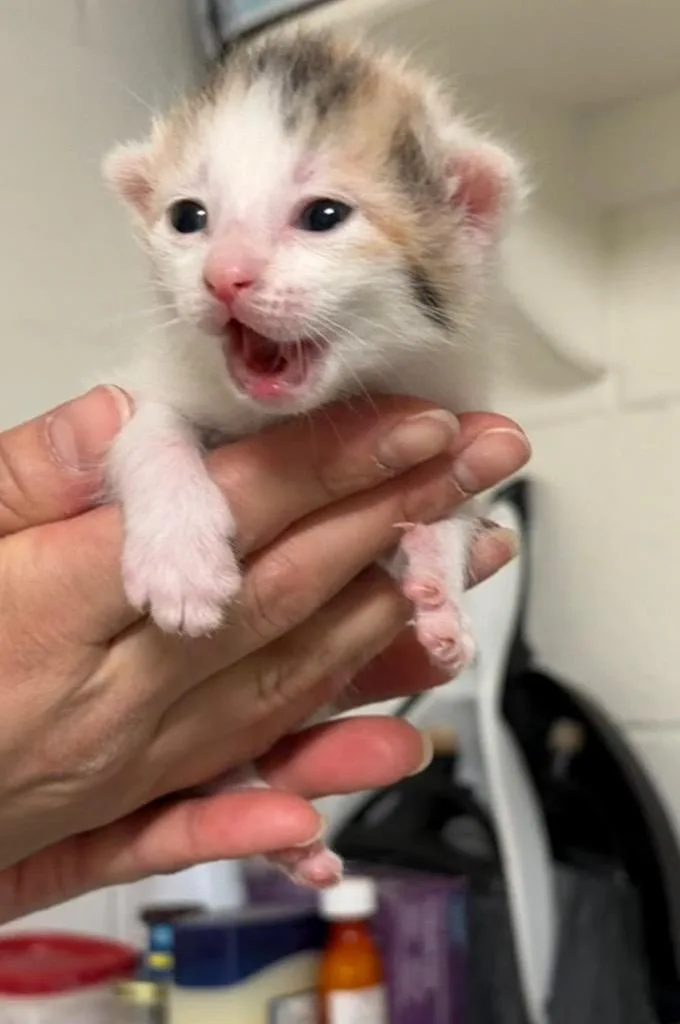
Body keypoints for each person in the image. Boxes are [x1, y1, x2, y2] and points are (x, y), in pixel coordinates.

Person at [0, 385, 530, 923]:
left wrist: (435, 564)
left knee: (292, 669)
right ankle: (226, 776)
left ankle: (225, 776)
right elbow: (147, 425)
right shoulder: (177, 390)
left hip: (140, 759)